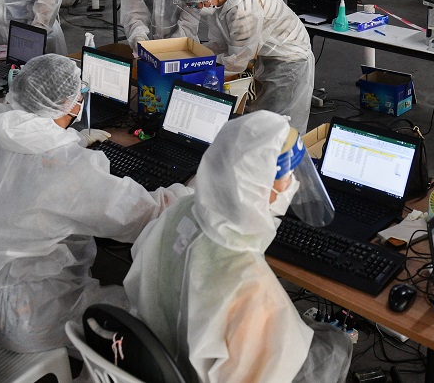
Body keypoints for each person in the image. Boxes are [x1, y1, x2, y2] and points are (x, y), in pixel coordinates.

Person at [0, 54, 191, 353]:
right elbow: (144, 216)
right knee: (165, 325)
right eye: (78, 92)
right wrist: (192, 190)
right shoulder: (69, 169)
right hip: (29, 315)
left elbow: (29, 169)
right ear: (66, 103)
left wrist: (73, 141)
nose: (81, 98)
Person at [124, 111, 350, 383]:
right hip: (199, 369)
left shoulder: (181, 210)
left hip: (161, 357)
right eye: (289, 174)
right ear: (260, 185)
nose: (295, 183)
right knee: (337, 343)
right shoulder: (249, 281)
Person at [176, 0, 315, 129]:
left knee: (279, 125)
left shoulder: (242, 8)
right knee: (260, 117)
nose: (197, 9)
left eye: (195, 4)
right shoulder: (224, 3)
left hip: (290, 60)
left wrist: (200, 66)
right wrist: (198, 57)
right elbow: (222, 44)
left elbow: (238, 61)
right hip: (266, 56)